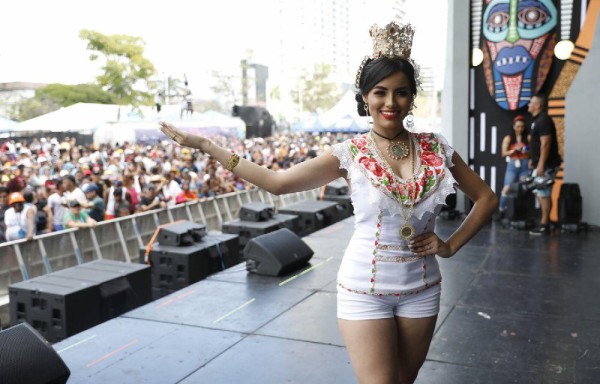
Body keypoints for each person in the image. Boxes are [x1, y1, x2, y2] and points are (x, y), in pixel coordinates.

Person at [159, 21, 497, 383]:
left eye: (401, 92)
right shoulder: (347, 154)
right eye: (380, 92)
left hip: (423, 289)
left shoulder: (436, 147)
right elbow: (277, 183)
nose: (390, 102)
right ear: (365, 97)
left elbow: (486, 198)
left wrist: (449, 247)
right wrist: (209, 147)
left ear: (412, 97)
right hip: (363, 290)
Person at [527, 94, 561, 235]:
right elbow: (537, 144)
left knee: (544, 193)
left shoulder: (543, 120)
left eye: (531, 102)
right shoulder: (537, 120)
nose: (529, 104)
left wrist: (541, 165)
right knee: (540, 192)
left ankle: (544, 225)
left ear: (538, 106)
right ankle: (547, 221)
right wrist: (533, 160)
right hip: (540, 164)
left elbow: (546, 144)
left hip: (547, 165)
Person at [498, 115, 531, 215]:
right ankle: (501, 210)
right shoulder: (508, 138)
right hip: (513, 164)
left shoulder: (528, 137)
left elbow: (533, 152)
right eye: (518, 126)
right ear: (514, 126)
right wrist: (513, 151)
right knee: (507, 188)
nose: (520, 129)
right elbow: (503, 153)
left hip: (525, 163)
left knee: (523, 189)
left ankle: (521, 212)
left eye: (522, 127)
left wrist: (525, 150)